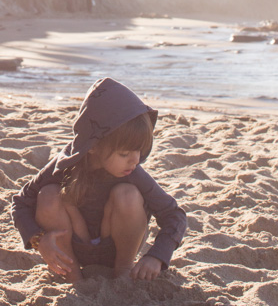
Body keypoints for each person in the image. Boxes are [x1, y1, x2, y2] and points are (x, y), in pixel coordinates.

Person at [11, 77, 187, 282]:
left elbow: (174, 215)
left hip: (117, 247)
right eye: (124, 154)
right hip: (73, 247)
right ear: (93, 146)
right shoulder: (67, 163)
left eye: (139, 151)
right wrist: (39, 241)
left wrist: (156, 257)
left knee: (127, 195)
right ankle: (72, 276)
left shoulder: (133, 171)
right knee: (48, 194)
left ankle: (122, 271)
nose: (135, 160)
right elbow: (21, 202)